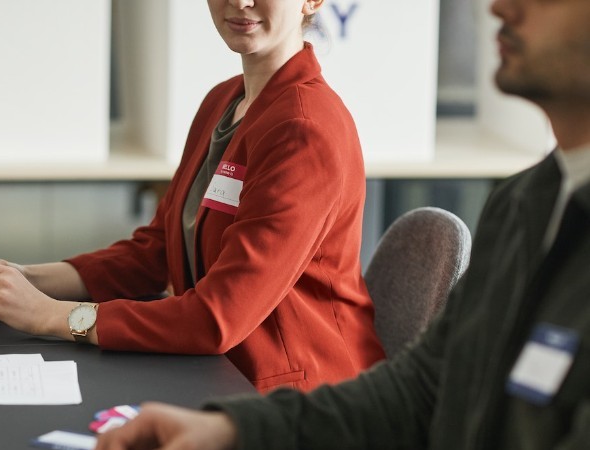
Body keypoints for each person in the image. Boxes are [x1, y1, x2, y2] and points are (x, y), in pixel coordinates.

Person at [93, 0, 590, 448]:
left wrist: (67, 318)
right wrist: (232, 430)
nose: (500, 8)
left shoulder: (306, 124)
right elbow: (422, 388)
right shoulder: (523, 202)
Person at [0, 0, 385, 393]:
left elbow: (218, 317)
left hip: (294, 395)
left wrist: (48, 315)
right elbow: (156, 252)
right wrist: (27, 280)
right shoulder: (224, 100)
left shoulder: (304, 131)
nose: (240, 2)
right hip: (213, 371)